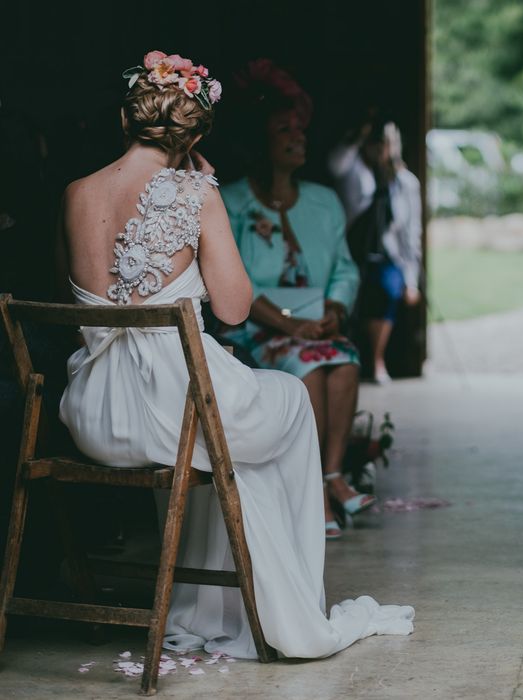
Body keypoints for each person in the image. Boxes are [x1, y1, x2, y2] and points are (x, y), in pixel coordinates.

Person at [57, 51, 413, 660]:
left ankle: (209, 602)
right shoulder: (197, 191)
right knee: (290, 400)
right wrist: (207, 195)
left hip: (97, 416)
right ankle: (281, 604)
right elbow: (236, 309)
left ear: (126, 121)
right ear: (194, 136)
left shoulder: (76, 193)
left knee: (230, 437)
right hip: (177, 411)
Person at [219, 59, 372, 540]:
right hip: (259, 330)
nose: (297, 136)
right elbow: (237, 279)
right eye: (283, 129)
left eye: (300, 128)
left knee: (344, 361)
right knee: (309, 364)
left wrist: (333, 311)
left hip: (313, 328)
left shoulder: (325, 201)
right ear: (262, 143)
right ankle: (316, 495)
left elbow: (344, 267)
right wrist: (291, 326)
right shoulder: (233, 201)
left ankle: (332, 477)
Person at [328, 118, 423, 384]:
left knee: (389, 289)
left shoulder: (405, 183)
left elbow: (410, 233)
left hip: (387, 253)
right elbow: (334, 165)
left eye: (384, 143)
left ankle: (377, 359)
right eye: (374, 142)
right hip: (351, 250)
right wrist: (360, 134)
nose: (378, 149)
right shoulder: (354, 170)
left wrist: (411, 280)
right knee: (347, 298)